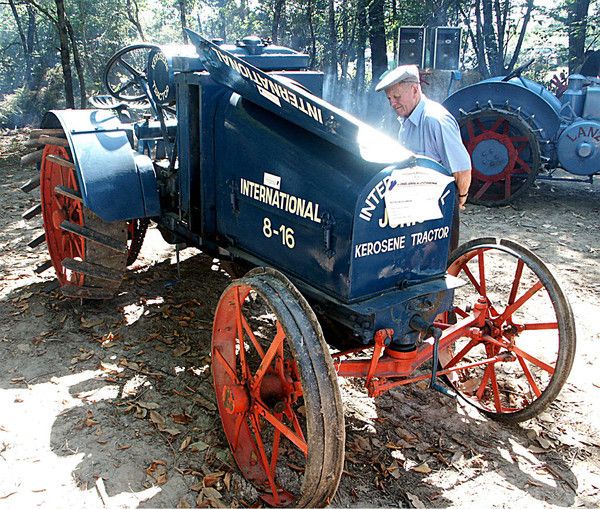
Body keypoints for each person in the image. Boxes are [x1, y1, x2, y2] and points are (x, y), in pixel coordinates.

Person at [376, 64, 472, 251]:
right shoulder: (405, 120)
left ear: (414, 89)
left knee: (438, 262)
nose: (393, 104)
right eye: (389, 99)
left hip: (437, 211)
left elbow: (462, 168)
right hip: (413, 208)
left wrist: (459, 199)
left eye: (396, 97)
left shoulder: (435, 120)